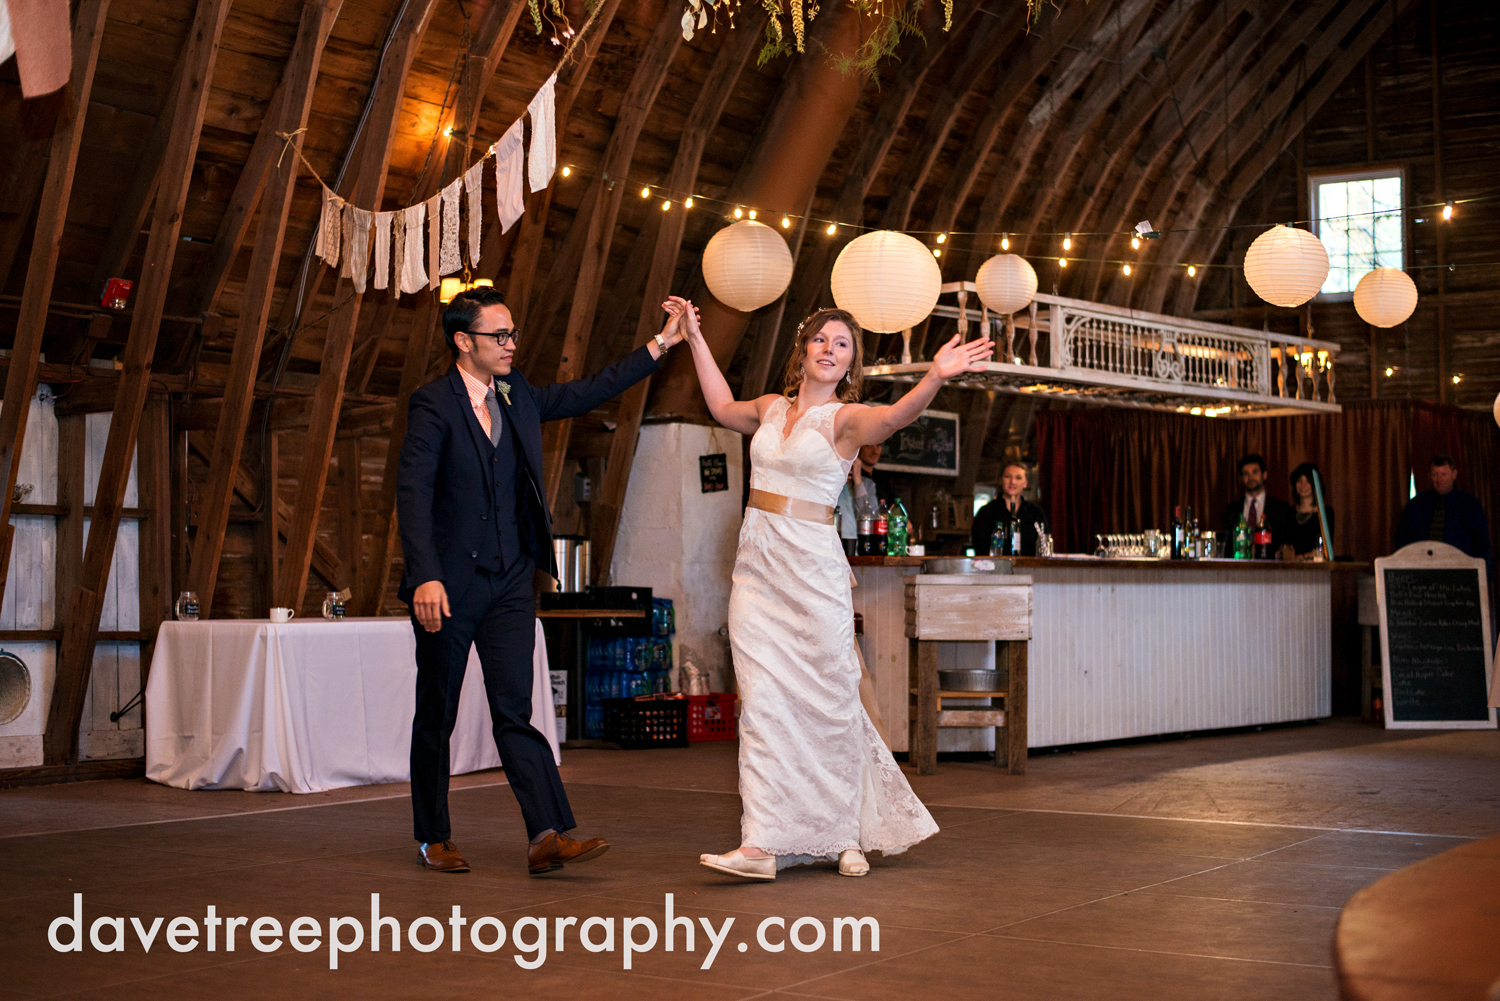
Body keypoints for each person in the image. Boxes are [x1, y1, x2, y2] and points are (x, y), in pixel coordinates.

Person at [673, 297, 992, 880]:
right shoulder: (770, 409)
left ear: (850, 364)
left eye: (841, 344)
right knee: (763, 708)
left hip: (813, 570)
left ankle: (845, 832)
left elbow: (894, 420)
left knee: (829, 703)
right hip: (757, 572)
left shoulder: (847, 418)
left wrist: (934, 378)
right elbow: (720, 406)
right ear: (803, 351)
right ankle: (762, 843)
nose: (829, 349)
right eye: (821, 339)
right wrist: (695, 336)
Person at [396, 286, 684, 875]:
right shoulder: (433, 405)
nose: (510, 345)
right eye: (498, 336)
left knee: (515, 709)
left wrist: (659, 345)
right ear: (462, 341)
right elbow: (413, 495)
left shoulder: (517, 393)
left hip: (509, 580)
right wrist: (425, 577)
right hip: (449, 586)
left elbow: (587, 391)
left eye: (512, 334)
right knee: (438, 714)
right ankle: (434, 836)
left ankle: (546, 834)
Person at [1394, 455, 1492, 570]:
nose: (1439, 479)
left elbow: (1482, 544)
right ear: (1429, 475)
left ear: (1454, 474)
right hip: (1422, 570)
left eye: (1443, 474)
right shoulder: (1416, 505)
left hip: (1459, 571)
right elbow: (1402, 539)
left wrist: (1482, 574)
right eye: (1435, 474)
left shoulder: (1470, 505)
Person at [1219, 453, 1294, 553]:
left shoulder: (1280, 508)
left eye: (1255, 472)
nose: (1250, 478)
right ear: (1241, 478)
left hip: (1271, 566)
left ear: (1264, 475)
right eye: (1246, 474)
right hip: (1239, 566)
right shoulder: (1231, 510)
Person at [970, 461, 1048, 556]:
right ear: (1000, 480)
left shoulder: (1035, 512)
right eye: (1008, 477)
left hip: (1028, 568)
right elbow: (979, 547)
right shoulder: (986, 512)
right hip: (995, 568)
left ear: (1025, 483)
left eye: (1018, 478)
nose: (1012, 482)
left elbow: (1044, 544)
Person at [835, 443, 883, 549]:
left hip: (860, 548)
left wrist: (857, 479)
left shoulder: (868, 484)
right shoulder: (831, 483)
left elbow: (870, 520)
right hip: (832, 545)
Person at [1288, 462, 1335, 558]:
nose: (1303, 485)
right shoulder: (1288, 512)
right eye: (1299, 481)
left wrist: (1308, 556)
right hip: (1292, 567)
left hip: (1316, 566)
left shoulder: (1325, 513)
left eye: (1308, 481)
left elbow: (1326, 545)